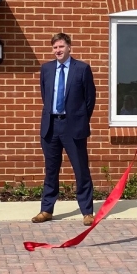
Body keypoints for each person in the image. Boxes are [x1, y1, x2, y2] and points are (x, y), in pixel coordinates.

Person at [32, 33, 97, 226]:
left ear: (69, 47)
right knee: (51, 170)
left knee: (81, 170)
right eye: (55, 48)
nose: (58, 51)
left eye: (61, 46)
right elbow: (46, 95)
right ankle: (46, 210)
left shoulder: (82, 69)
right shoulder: (46, 69)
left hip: (73, 127)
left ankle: (87, 211)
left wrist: (79, 120)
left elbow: (90, 100)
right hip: (51, 126)